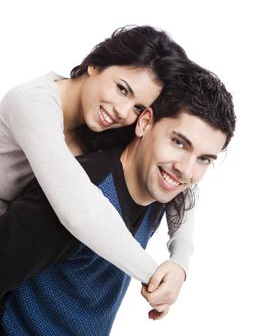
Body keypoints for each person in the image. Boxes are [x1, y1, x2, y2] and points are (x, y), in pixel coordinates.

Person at [0, 69, 236, 335]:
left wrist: (180, 263)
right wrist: (154, 274)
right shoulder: (78, 191)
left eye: (204, 158)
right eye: (179, 143)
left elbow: (187, 197)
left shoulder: (161, 186)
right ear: (145, 122)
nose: (186, 170)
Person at [0, 25, 195, 290]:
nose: (122, 112)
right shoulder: (32, 104)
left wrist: (179, 261)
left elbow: (183, 184)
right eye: (122, 89)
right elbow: (79, 211)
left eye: (138, 107)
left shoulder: (106, 126)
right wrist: (155, 277)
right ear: (94, 65)